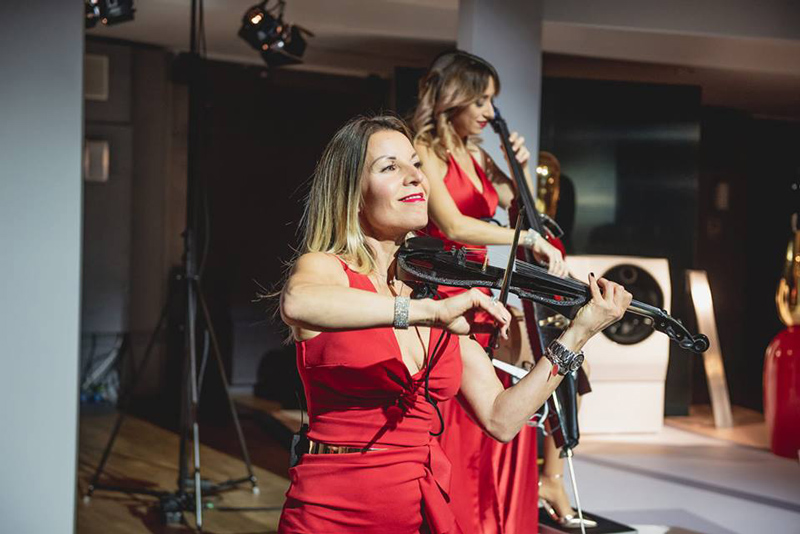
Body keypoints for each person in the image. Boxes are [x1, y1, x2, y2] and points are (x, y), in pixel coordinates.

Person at [276, 114, 631, 533]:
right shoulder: (328, 269)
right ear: (352, 194)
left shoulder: (435, 294)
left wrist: (578, 333)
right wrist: (426, 313)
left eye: (416, 164)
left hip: (416, 513)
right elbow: (298, 301)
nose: (415, 177)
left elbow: (502, 418)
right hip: (330, 511)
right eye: (390, 167)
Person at [411, 50, 593, 531]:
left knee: (526, 384)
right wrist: (526, 239)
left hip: (482, 289)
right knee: (465, 407)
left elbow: (520, 208)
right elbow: (453, 224)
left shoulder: (477, 154)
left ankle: (520, 500)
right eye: (481, 100)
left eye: (492, 101)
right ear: (453, 97)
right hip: (441, 289)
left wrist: (520, 168)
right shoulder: (424, 149)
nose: (490, 112)